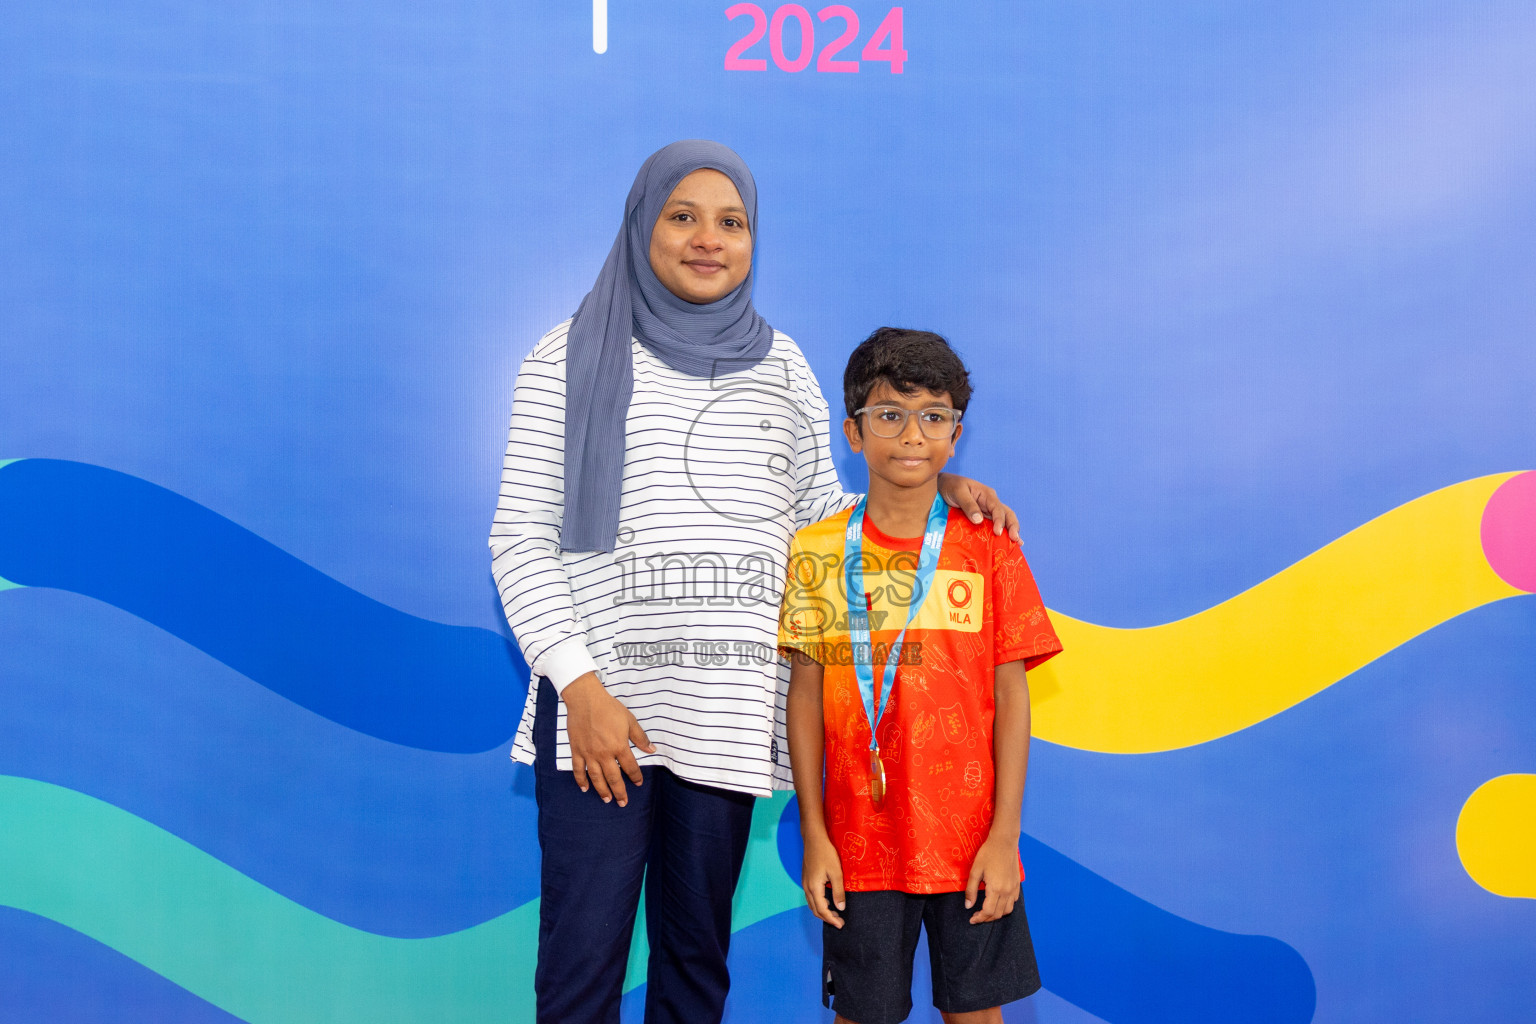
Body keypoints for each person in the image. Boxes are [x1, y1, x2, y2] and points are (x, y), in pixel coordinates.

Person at [490, 142, 1020, 1024]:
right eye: (683, 216)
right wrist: (578, 687)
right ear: (641, 225)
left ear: (752, 240)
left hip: (726, 716)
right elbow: (520, 541)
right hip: (599, 720)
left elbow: (824, 519)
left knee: (697, 965)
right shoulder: (565, 356)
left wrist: (928, 480)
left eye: (731, 223)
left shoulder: (783, 369)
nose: (709, 240)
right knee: (581, 969)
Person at [780, 327, 1063, 1024]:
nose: (912, 436)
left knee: (977, 1014)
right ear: (854, 432)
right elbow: (805, 700)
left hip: (971, 843)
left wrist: (1005, 837)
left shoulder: (988, 547)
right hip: (860, 847)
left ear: (956, 434)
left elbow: (1012, 698)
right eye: (889, 415)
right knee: (862, 1015)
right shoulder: (818, 554)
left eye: (934, 417)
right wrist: (816, 836)